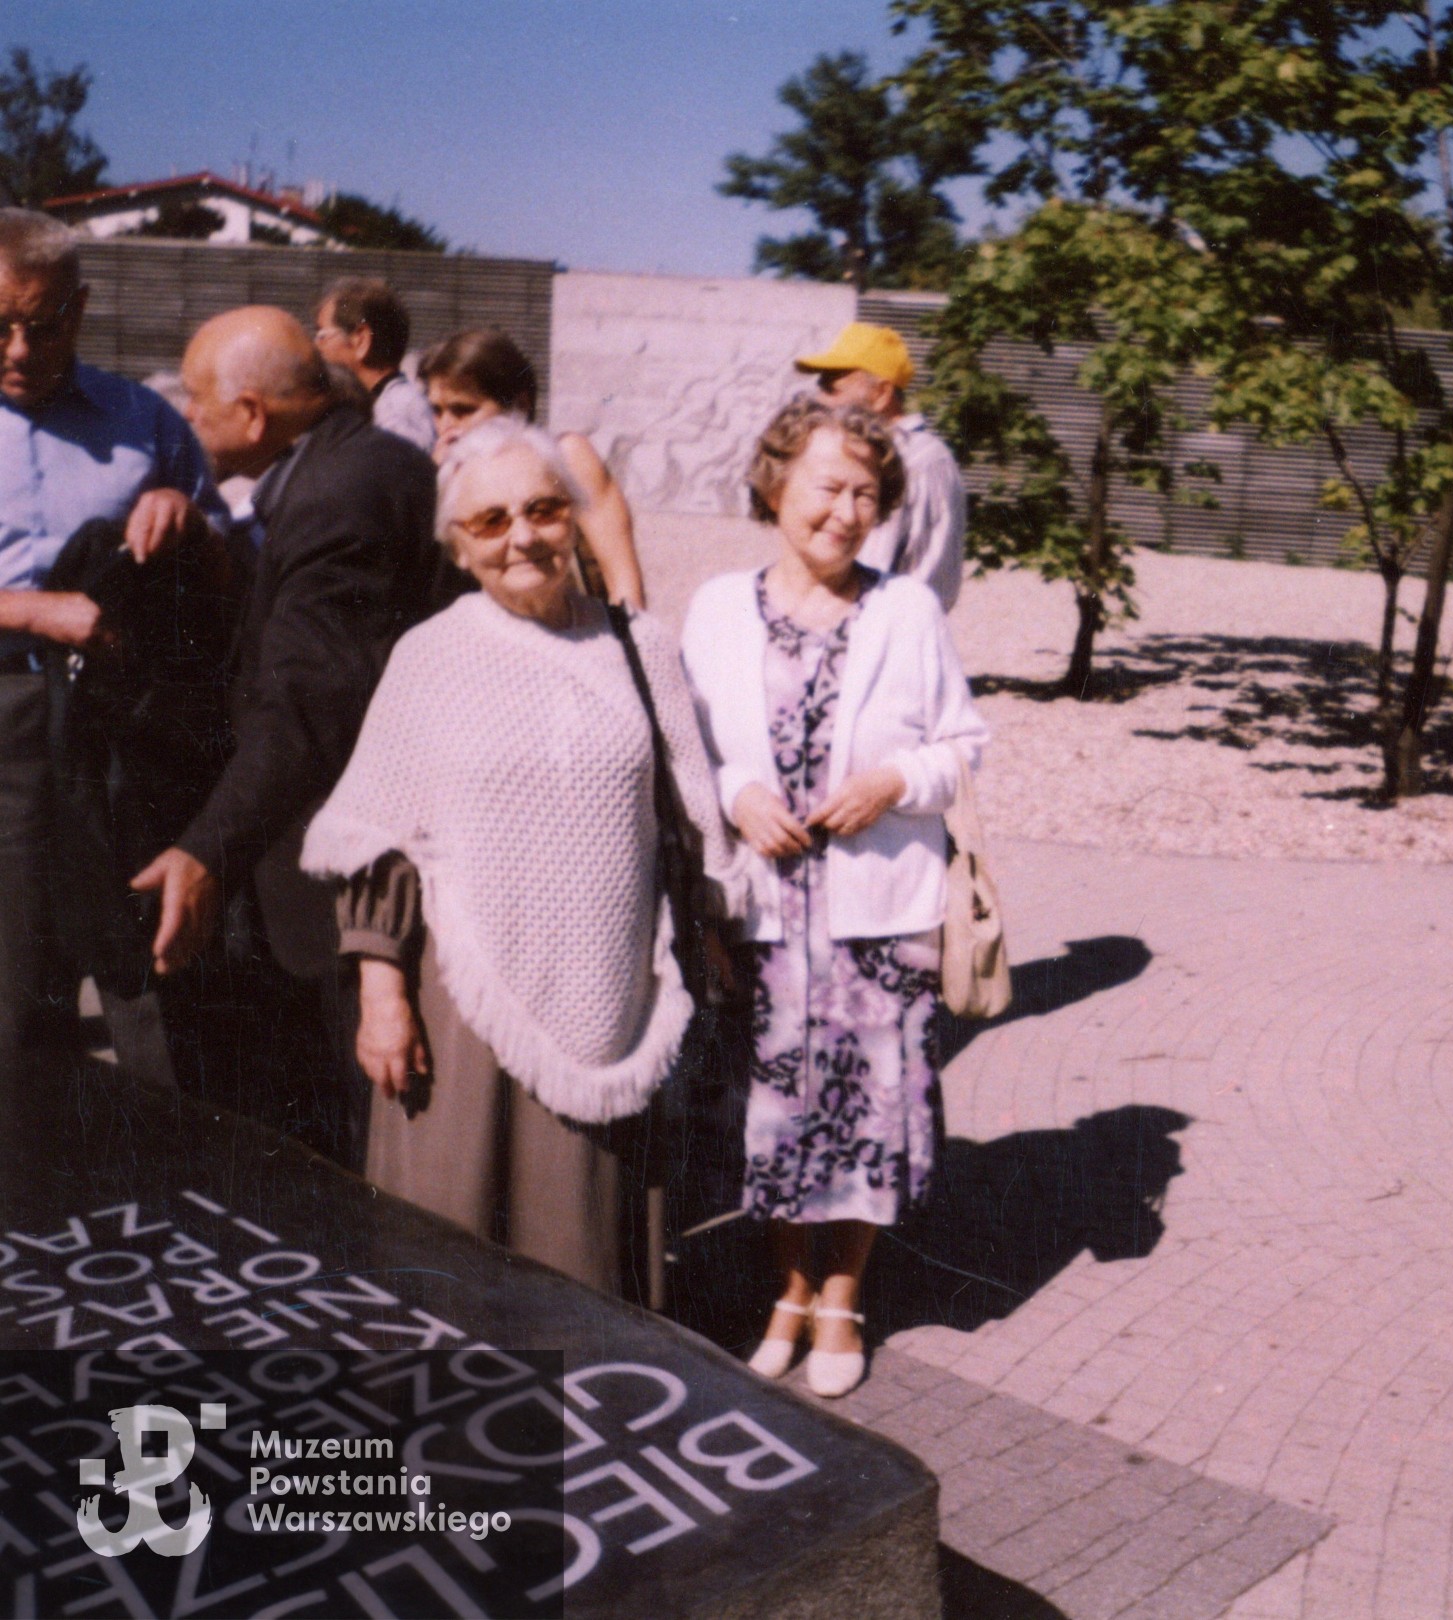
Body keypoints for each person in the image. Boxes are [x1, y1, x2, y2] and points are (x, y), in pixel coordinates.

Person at [301, 417, 740, 1290]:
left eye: (542, 510)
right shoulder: (429, 657)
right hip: (463, 1014)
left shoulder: (641, 648)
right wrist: (382, 996)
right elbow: (376, 836)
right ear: (457, 548)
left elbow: (696, 820)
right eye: (490, 521)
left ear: (575, 517)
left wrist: (726, 930)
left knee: (585, 1248)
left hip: (616, 995)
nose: (523, 538)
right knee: (450, 1246)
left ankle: (591, 1413)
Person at [681, 394, 989, 1396]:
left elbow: (962, 745)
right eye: (829, 486)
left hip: (873, 916)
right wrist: (739, 793)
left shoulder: (906, 610)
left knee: (865, 1117)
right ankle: (787, 1291)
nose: (848, 511)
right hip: (766, 917)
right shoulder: (718, 607)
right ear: (777, 484)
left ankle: (843, 1298)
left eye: (868, 493)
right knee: (772, 1116)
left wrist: (893, 783)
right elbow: (697, 750)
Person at [135, 306, 443, 1164]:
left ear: (251, 414)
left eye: (198, 402)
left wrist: (208, 850)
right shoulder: (341, 467)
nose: (188, 418)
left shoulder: (341, 498)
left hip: (342, 881)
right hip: (317, 865)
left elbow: (309, 702)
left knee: (343, 1140)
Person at [0, 207, 229, 1072]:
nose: (20, 350)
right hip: (10, 720)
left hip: (126, 723)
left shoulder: (147, 421)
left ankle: (163, 1185)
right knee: (15, 992)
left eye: (43, 324)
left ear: (82, 309)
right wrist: (31, 610)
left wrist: (191, 521)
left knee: (148, 979)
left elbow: (227, 579)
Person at [418, 326, 647, 606]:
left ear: (519, 405)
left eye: (464, 410)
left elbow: (623, 580)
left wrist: (630, 643)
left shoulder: (567, 457)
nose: (446, 427)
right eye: (437, 412)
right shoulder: (441, 471)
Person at [794, 321, 967, 613]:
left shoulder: (908, 462)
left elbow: (866, 570)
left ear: (882, 394)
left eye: (831, 389)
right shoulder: (905, 455)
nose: (819, 400)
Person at [314, 277, 437, 453]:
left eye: (322, 335)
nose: (316, 347)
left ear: (360, 340)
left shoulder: (394, 419)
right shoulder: (385, 406)